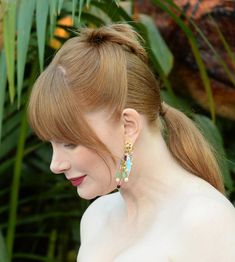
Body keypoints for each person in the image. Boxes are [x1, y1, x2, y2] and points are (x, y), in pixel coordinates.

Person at [28, 23, 235, 262]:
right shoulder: (98, 217)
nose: (55, 165)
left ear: (128, 126)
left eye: (70, 143)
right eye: (51, 143)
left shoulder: (205, 219)